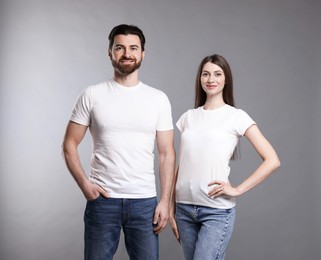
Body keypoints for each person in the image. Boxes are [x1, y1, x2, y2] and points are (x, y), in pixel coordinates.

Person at [62, 24, 175, 260]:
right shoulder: (92, 95)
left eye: (134, 48)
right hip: (103, 201)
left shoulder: (158, 99)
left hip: (145, 203)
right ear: (110, 52)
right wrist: (85, 185)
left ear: (143, 53)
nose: (127, 54)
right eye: (120, 48)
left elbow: (166, 153)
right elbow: (69, 144)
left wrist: (165, 201)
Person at [169, 54, 280, 260]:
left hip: (216, 212)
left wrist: (237, 189)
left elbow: (272, 159)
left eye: (217, 74)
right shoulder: (187, 117)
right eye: (206, 74)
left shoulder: (236, 116)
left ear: (225, 79)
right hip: (183, 210)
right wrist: (170, 207)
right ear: (200, 79)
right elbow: (183, 164)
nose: (211, 79)